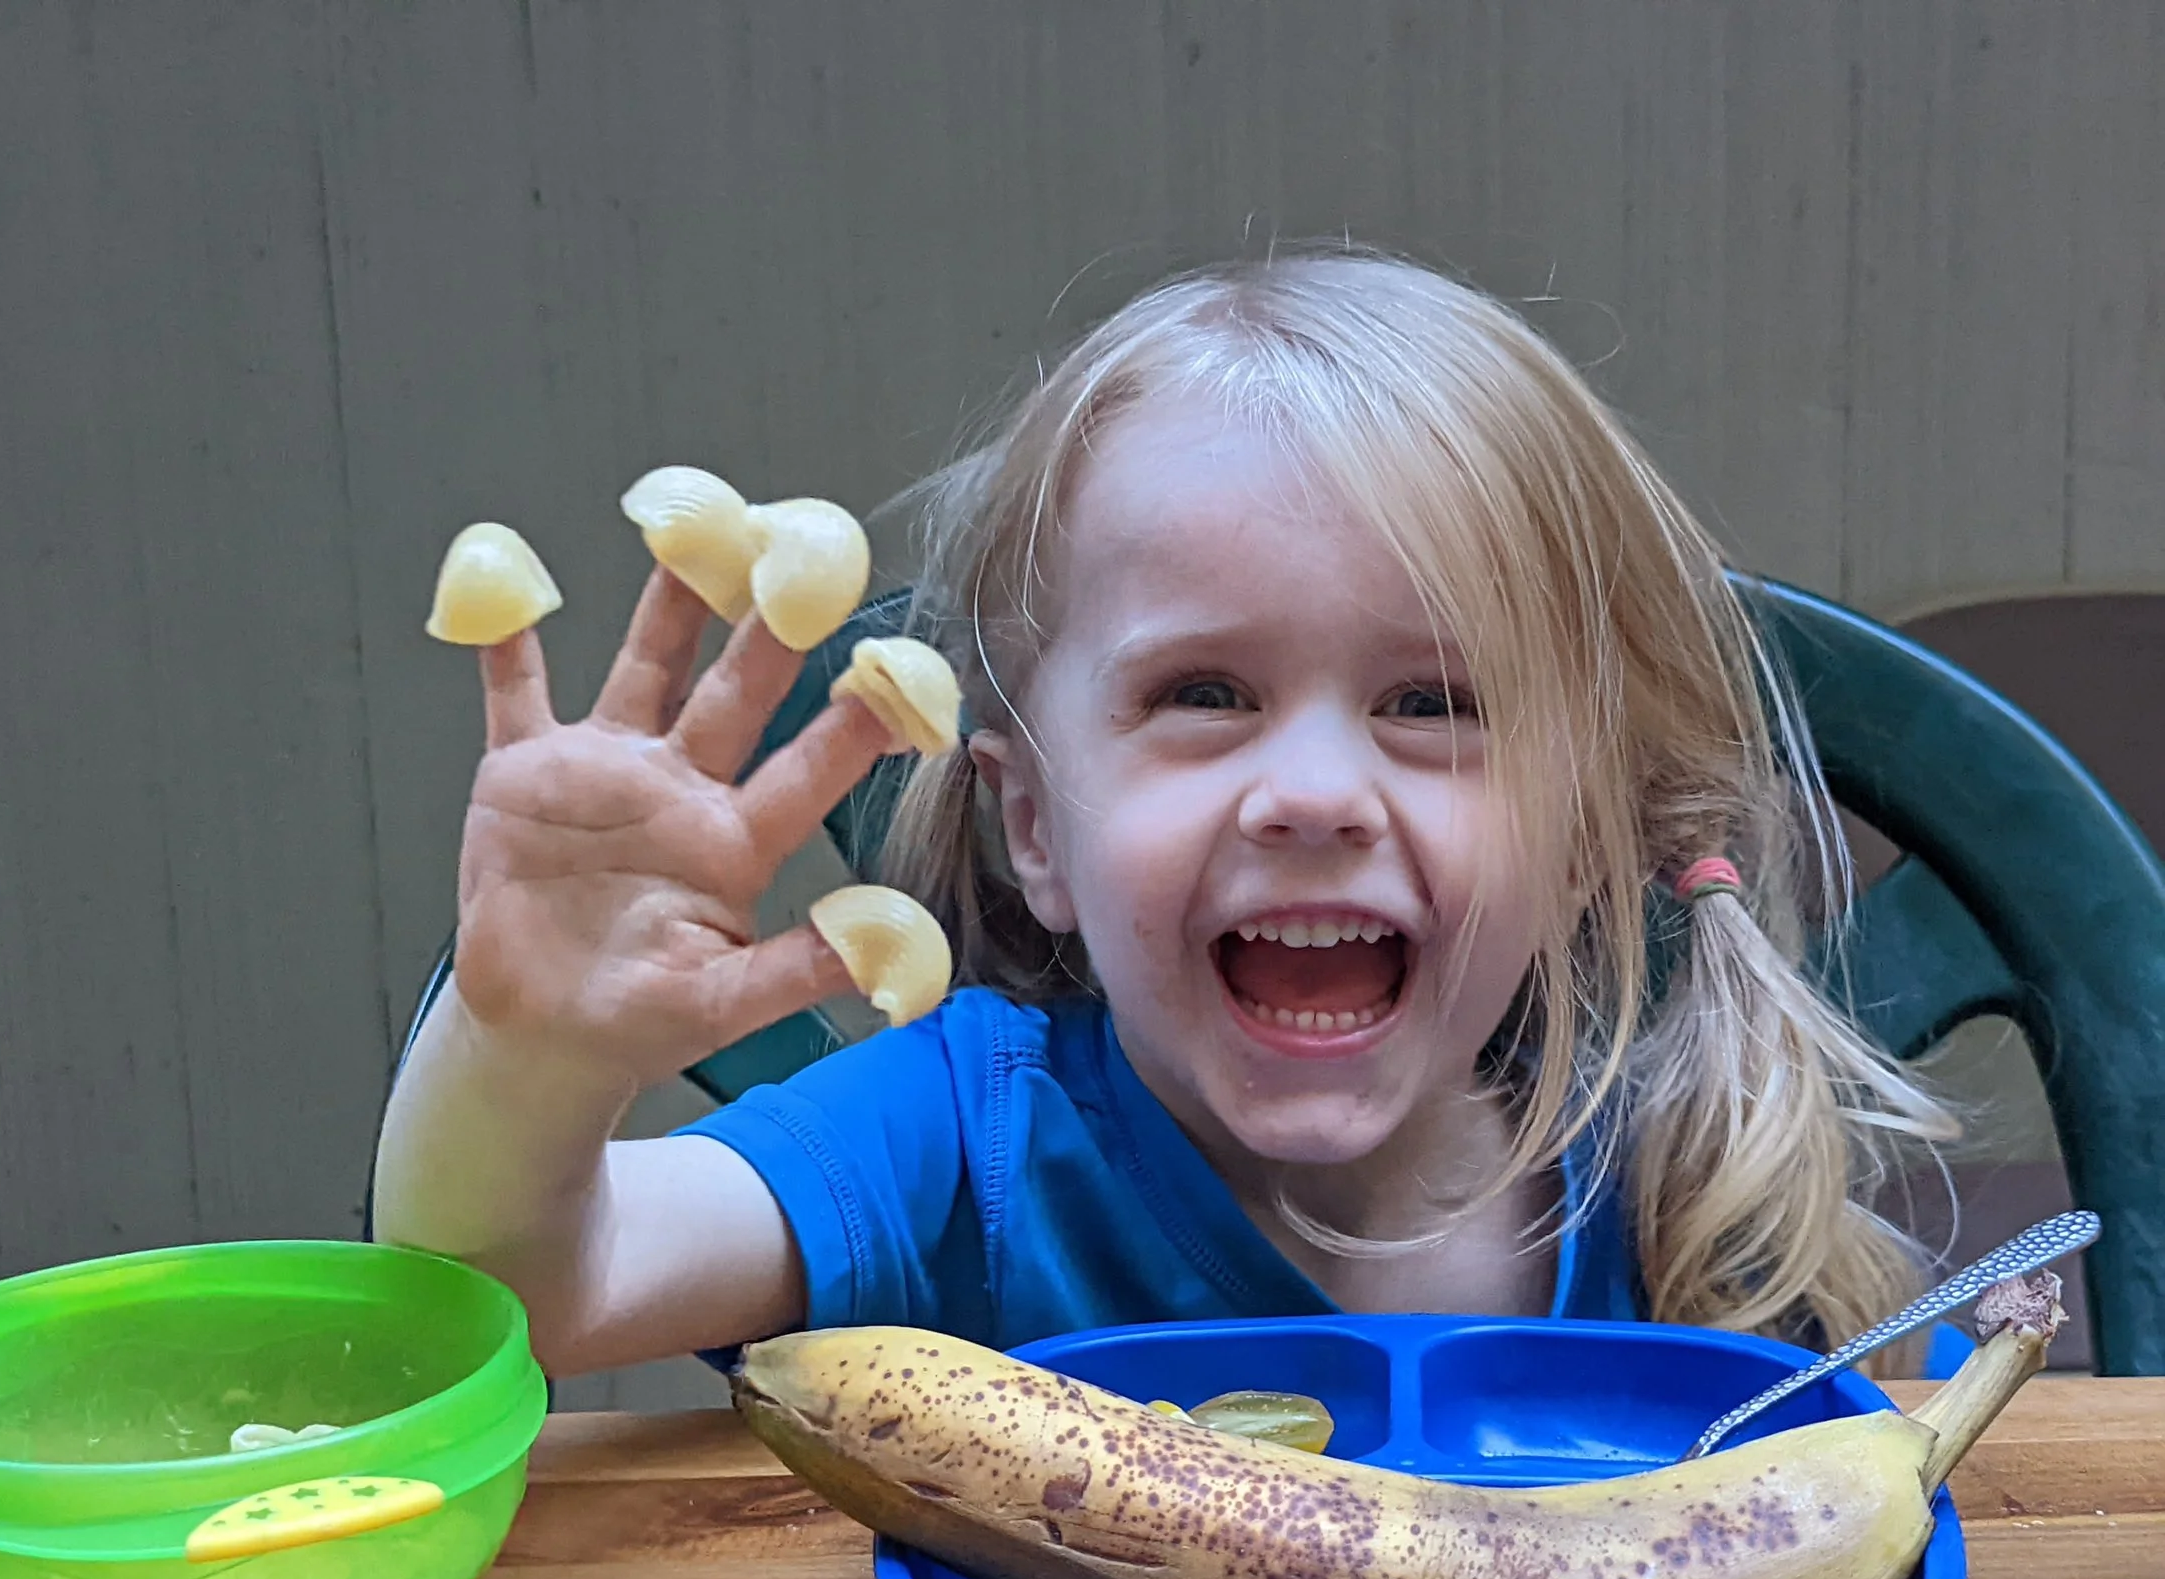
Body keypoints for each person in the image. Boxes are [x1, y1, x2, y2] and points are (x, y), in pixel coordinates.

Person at [370, 251, 1957, 1383]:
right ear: (1034, 828)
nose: (1315, 791)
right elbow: (521, 1293)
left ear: (1587, 834)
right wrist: (527, 1055)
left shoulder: (1700, 1210)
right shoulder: (961, 1145)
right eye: (1205, 692)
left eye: (1433, 701)